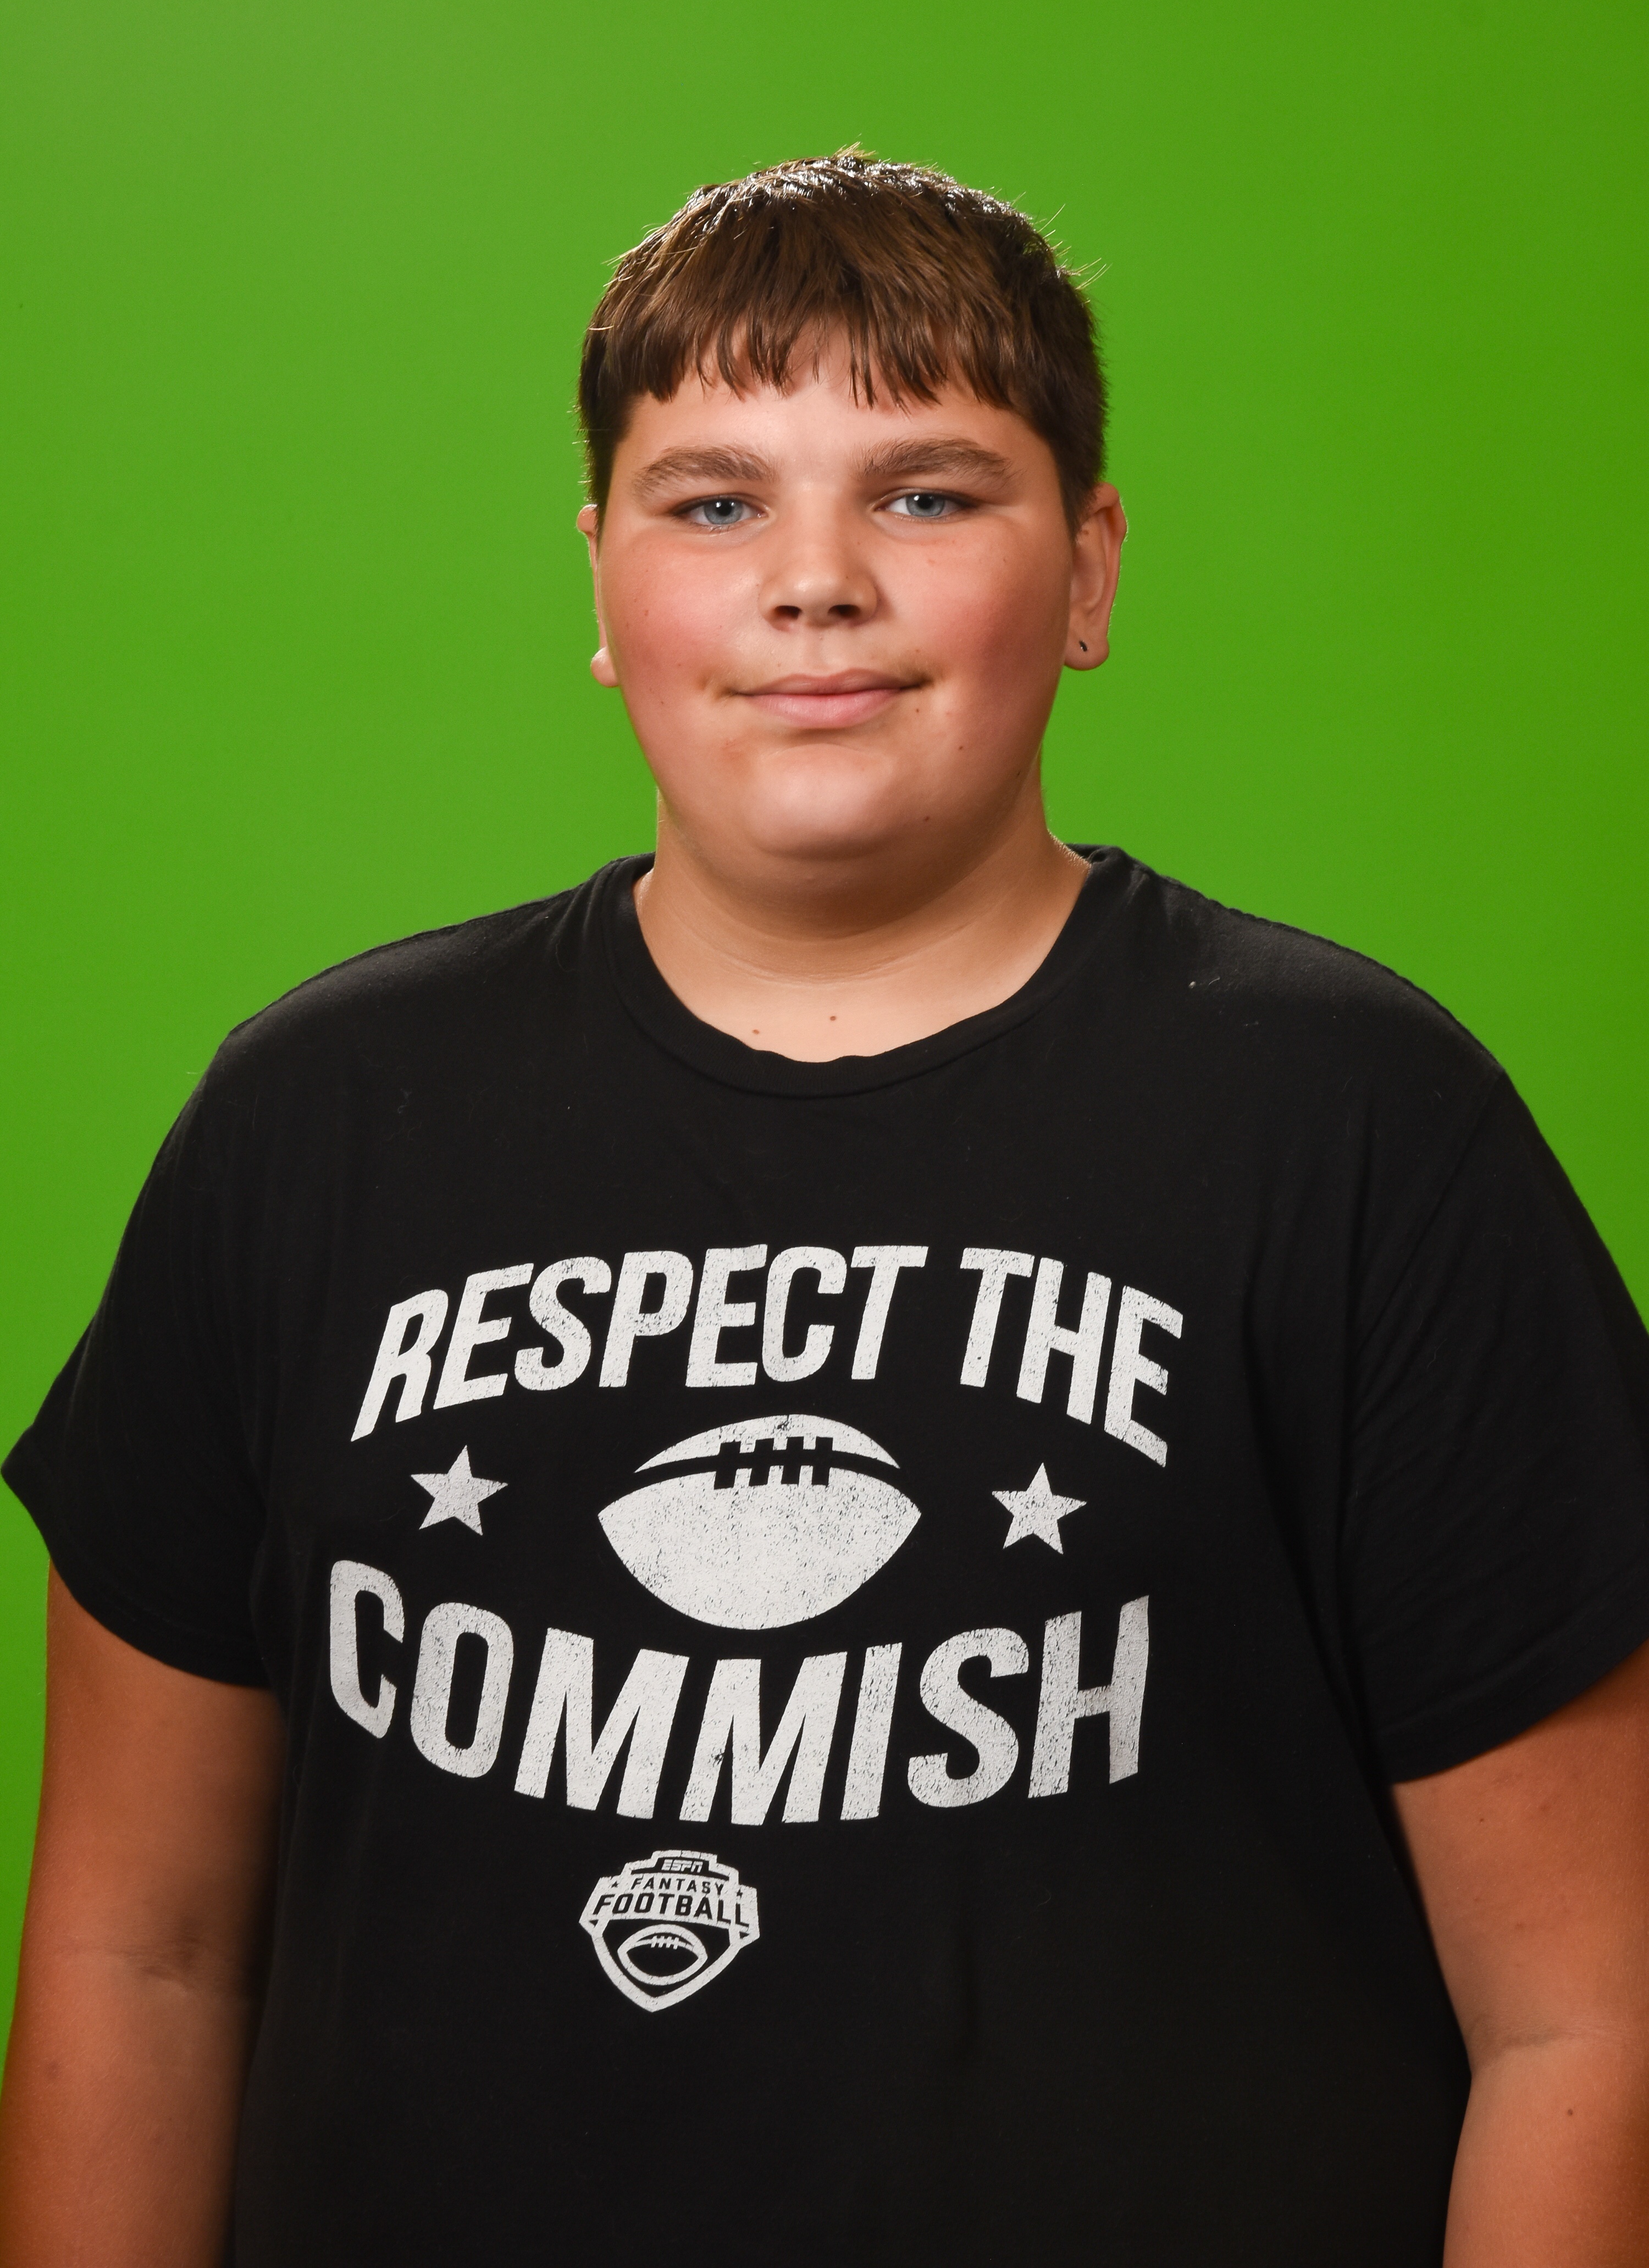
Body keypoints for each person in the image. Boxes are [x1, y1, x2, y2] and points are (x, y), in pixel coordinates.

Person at [2, 150, 1647, 2268]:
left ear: (1090, 572)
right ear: (603, 585)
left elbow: (1586, 2015)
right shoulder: (314, 1122)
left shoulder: (1358, 1130)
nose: (815, 583)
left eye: (928, 493)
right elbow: (140, 1956)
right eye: (713, 505)